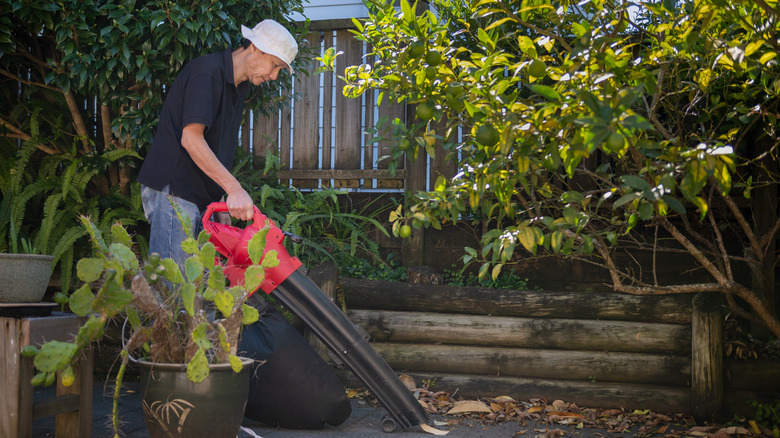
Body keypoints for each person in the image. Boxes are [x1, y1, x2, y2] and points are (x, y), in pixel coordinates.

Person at [137, 19, 298, 266]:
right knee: (173, 291)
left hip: (198, 195)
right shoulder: (208, 73)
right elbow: (191, 139)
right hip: (175, 190)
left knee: (197, 291)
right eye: (275, 65)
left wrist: (221, 199)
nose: (274, 76)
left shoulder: (237, 88)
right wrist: (234, 189)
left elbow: (215, 148)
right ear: (254, 47)